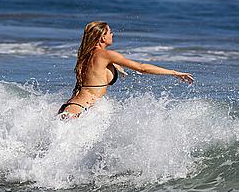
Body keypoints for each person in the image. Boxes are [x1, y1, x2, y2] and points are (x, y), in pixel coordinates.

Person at [58, 21, 194, 119]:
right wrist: (174, 72)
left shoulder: (85, 56)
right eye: (110, 32)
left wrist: (115, 67)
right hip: (82, 111)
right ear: (103, 37)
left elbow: (94, 72)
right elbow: (142, 68)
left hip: (69, 107)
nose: (112, 34)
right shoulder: (107, 55)